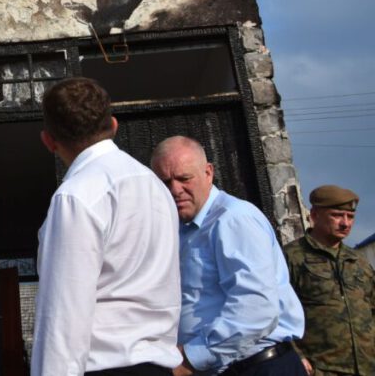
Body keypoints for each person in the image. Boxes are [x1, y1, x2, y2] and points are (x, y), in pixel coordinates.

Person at [30, 77, 182, 376]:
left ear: (48, 141)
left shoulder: (77, 195)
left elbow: (64, 314)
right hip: (158, 365)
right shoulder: (156, 188)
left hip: (106, 367)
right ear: (113, 125)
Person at [151, 136, 306, 376]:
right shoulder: (184, 229)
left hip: (259, 367)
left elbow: (255, 309)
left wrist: (191, 358)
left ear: (208, 172)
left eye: (184, 178)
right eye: (165, 182)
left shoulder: (233, 219)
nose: (175, 190)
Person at [283, 185, 375, 376]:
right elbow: (276, 311)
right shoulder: (291, 257)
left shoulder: (358, 261)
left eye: (350, 217)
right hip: (320, 369)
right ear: (315, 215)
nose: (345, 223)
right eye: (337, 215)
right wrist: (296, 355)